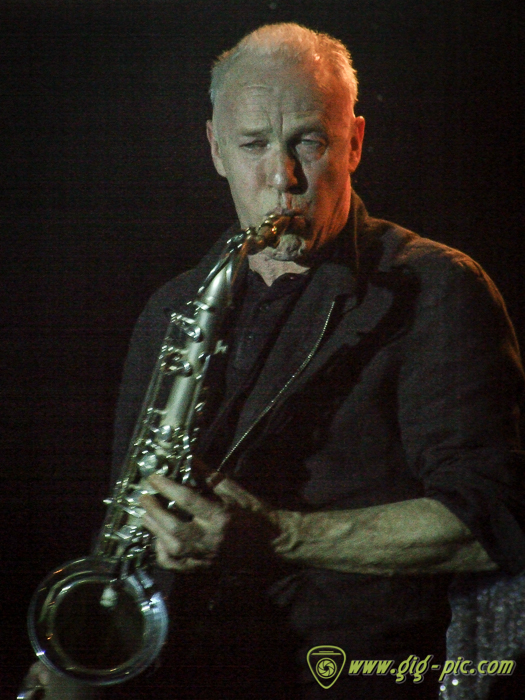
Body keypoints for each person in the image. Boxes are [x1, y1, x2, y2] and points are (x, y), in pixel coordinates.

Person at [21, 22, 525, 700]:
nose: (282, 179)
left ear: (354, 143)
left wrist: (279, 537)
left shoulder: (437, 287)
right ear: (215, 149)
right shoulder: (172, 308)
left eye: (308, 142)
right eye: (254, 145)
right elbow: (131, 522)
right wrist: (88, 653)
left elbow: (493, 524)